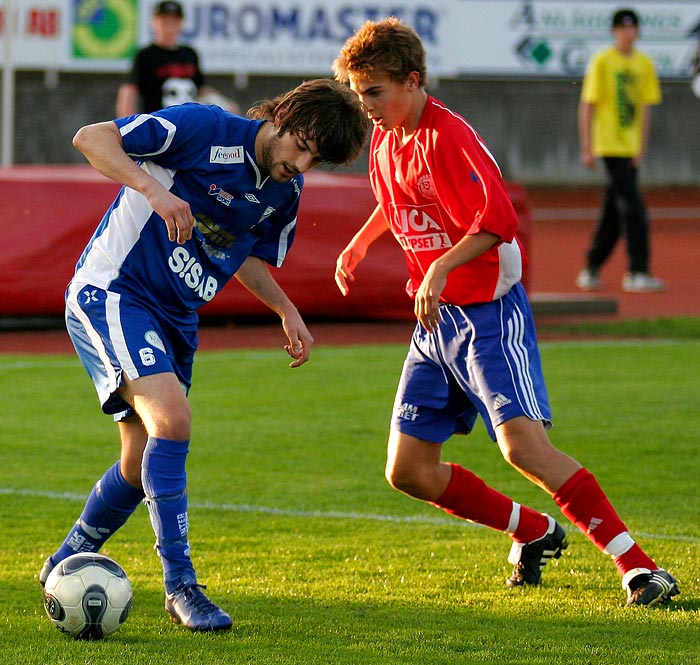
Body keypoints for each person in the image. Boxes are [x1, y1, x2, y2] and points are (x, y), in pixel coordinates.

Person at [332, 17, 679, 607]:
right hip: (435, 323)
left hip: (488, 314)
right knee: (409, 470)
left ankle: (640, 568)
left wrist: (439, 267)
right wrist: (362, 242)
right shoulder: (389, 138)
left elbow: (497, 223)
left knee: (523, 448)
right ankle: (533, 530)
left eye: (374, 91)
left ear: (412, 81)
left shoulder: (449, 137)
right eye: (359, 92)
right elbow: (399, 203)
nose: (365, 105)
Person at [38, 79, 369, 631]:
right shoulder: (204, 128)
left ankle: (59, 564)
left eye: (316, 157)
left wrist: (286, 310)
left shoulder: (284, 194)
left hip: (177, 318)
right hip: (114, 291)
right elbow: (90, 138)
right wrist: (153, 190)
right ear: (283, 115)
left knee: (137, 460)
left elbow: (245, 257)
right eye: (302, 144)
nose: (302, 162)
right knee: (174, 419)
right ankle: (181, 587)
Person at [576, 8, 665, 293]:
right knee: (635, 209)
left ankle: (591, 265)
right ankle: (638, 270)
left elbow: (644, 108)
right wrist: (587, 146)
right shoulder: (603, 61)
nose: (629, 33)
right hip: (609, 145)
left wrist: (641, 146)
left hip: (630, 147)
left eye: (633, 28)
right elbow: (588, 104)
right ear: (615, 32)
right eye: (623, 28)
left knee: (614, 212)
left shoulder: (644, 64)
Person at [115, 1, 240, 117]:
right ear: (153, 23)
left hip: (187, 124)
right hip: (157, 125)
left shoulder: (189, 54)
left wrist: (225, 105)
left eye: (173, 22)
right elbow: (129, 92)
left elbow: (200, 88)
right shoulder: (145, 55)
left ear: (181, 24)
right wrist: (129, 128)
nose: (169, 28)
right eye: (164, 22)